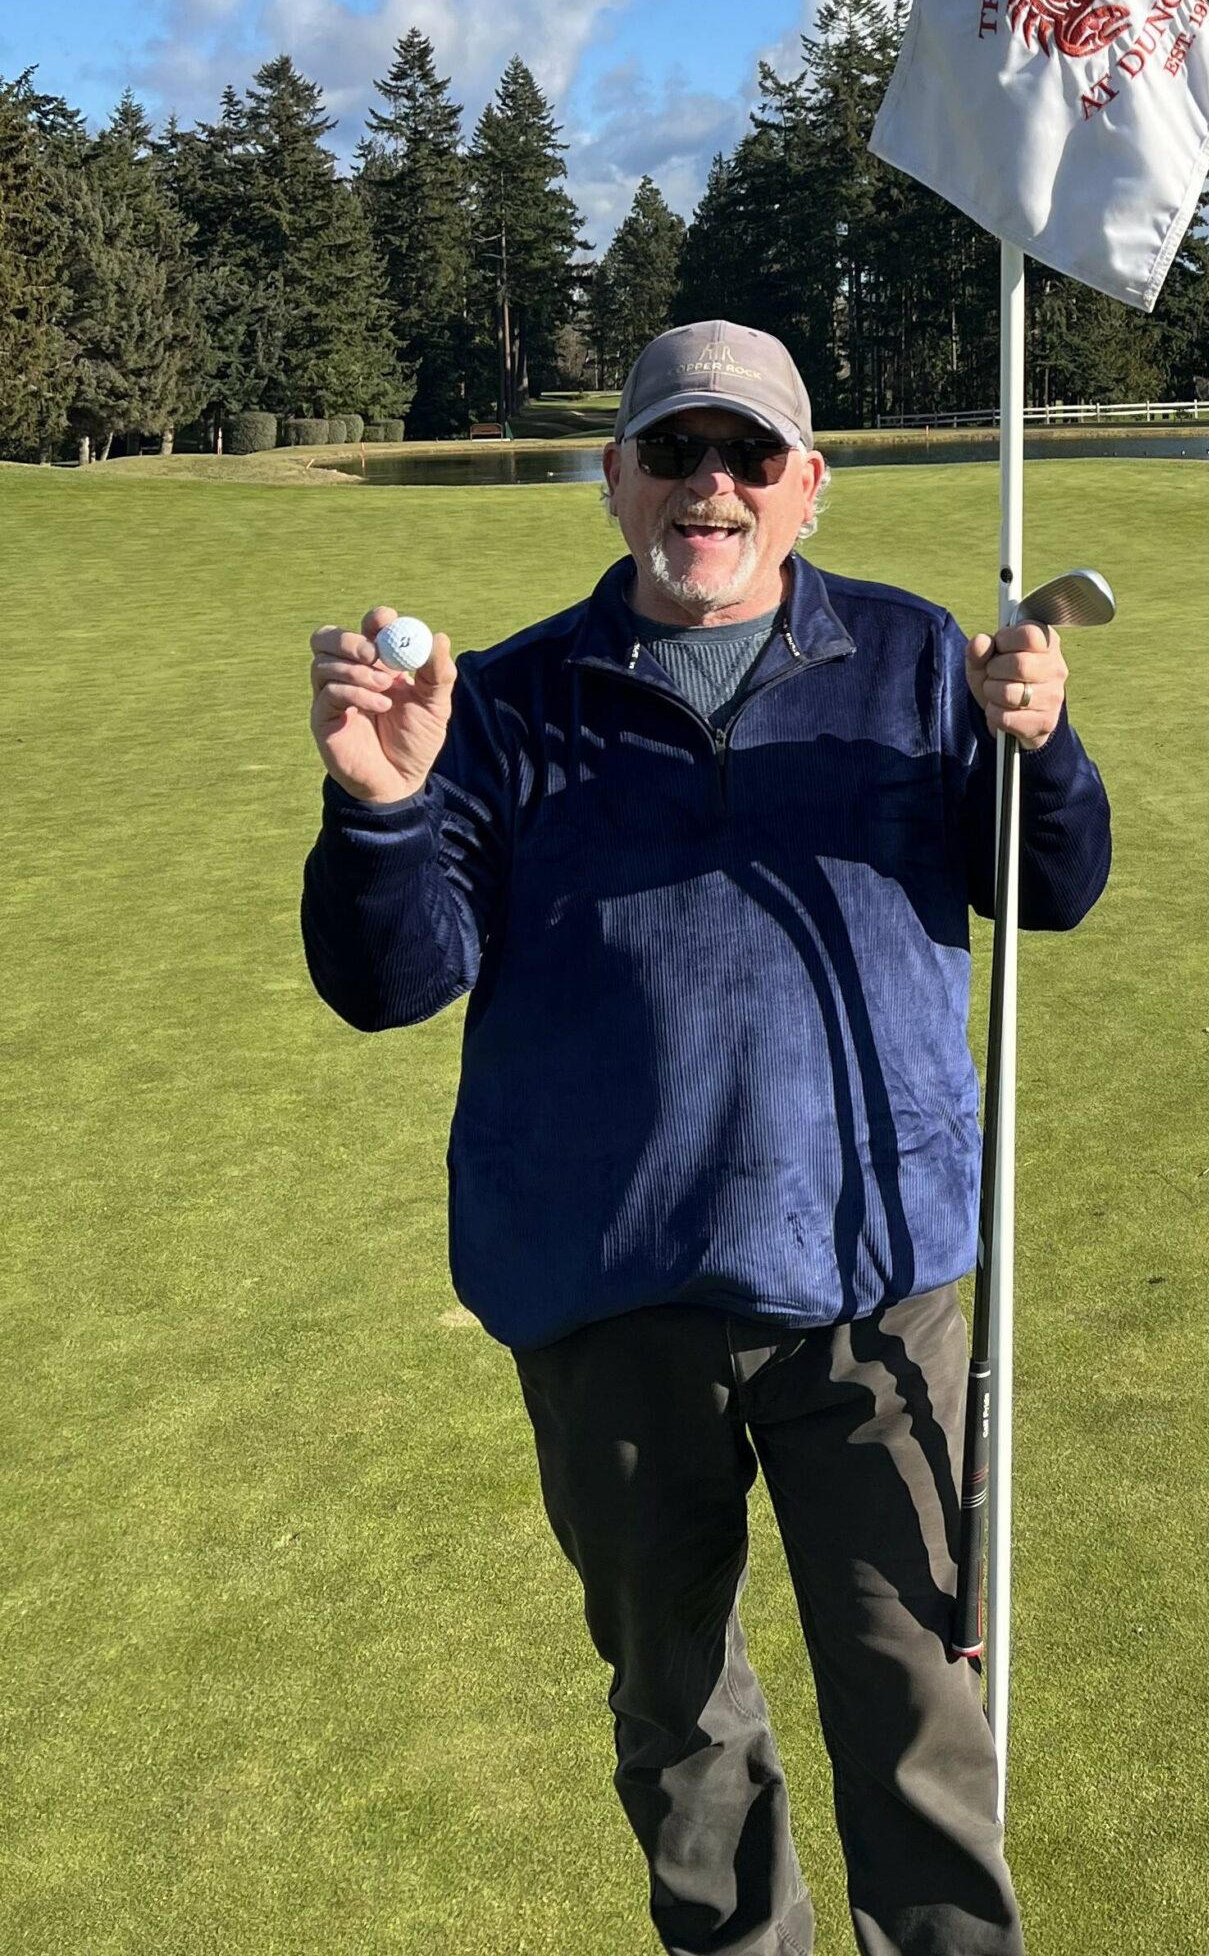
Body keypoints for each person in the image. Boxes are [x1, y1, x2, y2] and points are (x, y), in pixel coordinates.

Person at [301, 318, 1111, 1956]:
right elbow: (390, 986)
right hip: (608, 1297)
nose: (710, 485)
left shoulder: (912, 657)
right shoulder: (504, 702)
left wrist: (1040, 750)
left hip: (871, 1286)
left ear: (808, 484)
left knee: (915, 1706)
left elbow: (1048, 890)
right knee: (678, 1722)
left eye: (748, 454)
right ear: (614, 479)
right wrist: (384, 805)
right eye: (674, 451)